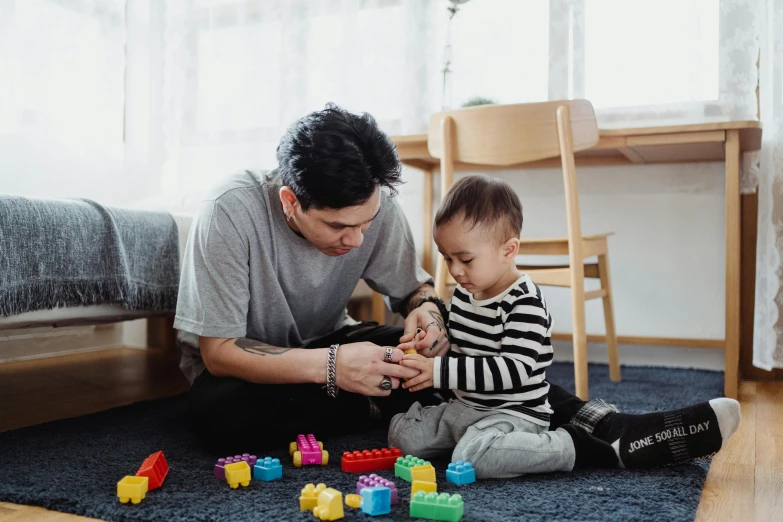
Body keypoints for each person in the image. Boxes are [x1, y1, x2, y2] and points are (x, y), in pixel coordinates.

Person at [174, 104, 740, 467]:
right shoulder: (230, 213)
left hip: (334, 349)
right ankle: (383, 404)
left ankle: (614, 429)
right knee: (218, 418)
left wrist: (431, 317)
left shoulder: (377, 209)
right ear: (290, 203)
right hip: (254, 371)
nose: (355, 239)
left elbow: (415, 293)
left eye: (365, 224)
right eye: (338, 227)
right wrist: (333, 368)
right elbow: (220, 353)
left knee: (460, 353)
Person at [390, 176, 740, 474]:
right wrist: (436, 341)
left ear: (508, 250)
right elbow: (468, 346)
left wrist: (439, 371)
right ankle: (479, 439)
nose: (455, 270)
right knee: (402, 437)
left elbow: (513, 370)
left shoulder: (524, 302)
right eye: (447, 258)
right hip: (467, 406)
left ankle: (574, 446)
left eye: (465, 259)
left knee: (472, 456)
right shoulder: (467, 291)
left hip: (515, 412)